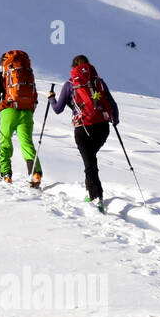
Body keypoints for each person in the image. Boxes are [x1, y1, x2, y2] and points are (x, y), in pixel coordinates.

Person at [50, 54, 120, 210]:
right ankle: (92, 193)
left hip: (83, 128)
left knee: (89, 163)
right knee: (91, 160)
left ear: (73, 67)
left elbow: (57, 109)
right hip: (103, 127)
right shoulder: (99, 82)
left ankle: (96, 197)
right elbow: (112, 103)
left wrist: (51, 98)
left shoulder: (70, 84)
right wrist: (114, 121)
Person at [0, 49, 42, 187]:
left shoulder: (2, 76)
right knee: (27, 143)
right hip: (26, 111)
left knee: (5, 142)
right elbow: (34, 94)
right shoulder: (27, 73)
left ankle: (6, 174)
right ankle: (35, 173)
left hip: (9, 111)